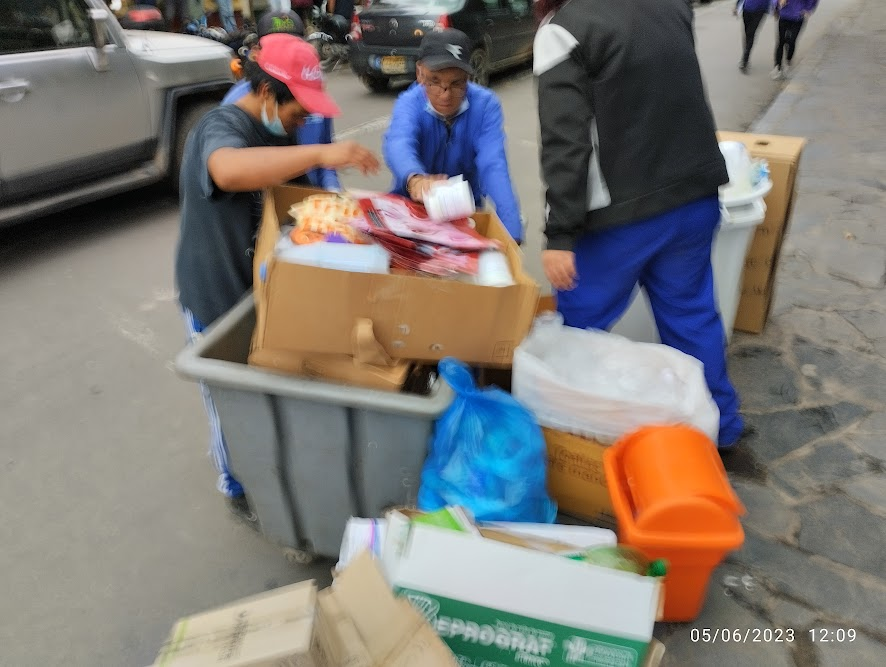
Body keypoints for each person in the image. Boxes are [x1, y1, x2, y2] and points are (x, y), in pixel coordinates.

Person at [175, 34, 378, 522]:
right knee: (229, 402)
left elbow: (296, 202)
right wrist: (319, 155)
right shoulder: (219, 126)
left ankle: (273, 471)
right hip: (215, 293)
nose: (303, 121)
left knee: (264, 394)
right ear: (267, 93)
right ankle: (235, 486)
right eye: (297, 111)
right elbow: (226, 172)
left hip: (259, 290)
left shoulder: (277, 133)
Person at [533, 0, 744, 449]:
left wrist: (561, 234)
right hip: (693, 196)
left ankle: (569, 442)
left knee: (577, 328)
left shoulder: (563, 30)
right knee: (692, 318)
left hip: (624, 217)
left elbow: (565, 142)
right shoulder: (668, 6)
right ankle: (719, 432)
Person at [383, 29, 524, 242]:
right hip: (411, 211)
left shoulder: (485, 105)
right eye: (435, 81)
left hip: (463, 214)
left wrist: (512, 231)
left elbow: (493, 165)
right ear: (420, 73)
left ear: (468, 77)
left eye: (457, 83)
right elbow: (399, 143)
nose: (445, 94)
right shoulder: (409, 103)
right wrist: (415, 179)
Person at [222, 11, 342, 190]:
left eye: (294, 46)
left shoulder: (313, 92)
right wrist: (319, 155)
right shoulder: (236, 106)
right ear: (257, 53)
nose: (288, 55)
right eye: (277, 47)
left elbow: (327, 159)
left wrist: (333, 192)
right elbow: (228, 172)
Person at [771, 0, 818, 79]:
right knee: (781, 41)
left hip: (798, 17)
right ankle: (777, 67)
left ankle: (788, 60)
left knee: (791, 41)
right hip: (784, 16)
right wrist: (777, 3)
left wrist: (808, 9)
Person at [734, 0, 771, 72]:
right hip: (747, 9)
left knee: (751, 33)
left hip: (760, 10)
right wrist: (737, 6)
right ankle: (745, 56)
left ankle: (745, 60)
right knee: (747, 33)